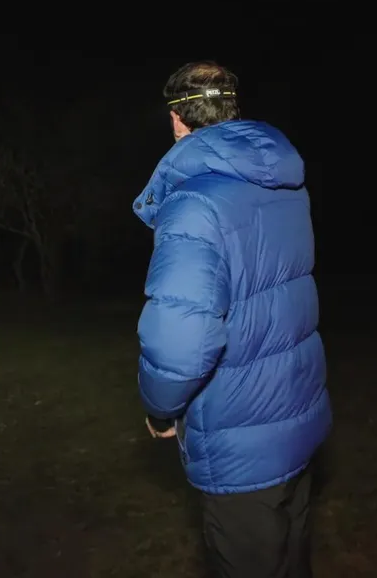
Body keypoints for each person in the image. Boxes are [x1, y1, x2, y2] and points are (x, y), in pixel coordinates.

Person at [133, 60, 332, 577]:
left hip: (238, 439)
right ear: (232, 108)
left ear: (177, 119)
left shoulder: (194, 203)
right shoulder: (281, 185)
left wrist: (160, 410)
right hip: (296, 418)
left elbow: (180, 339)